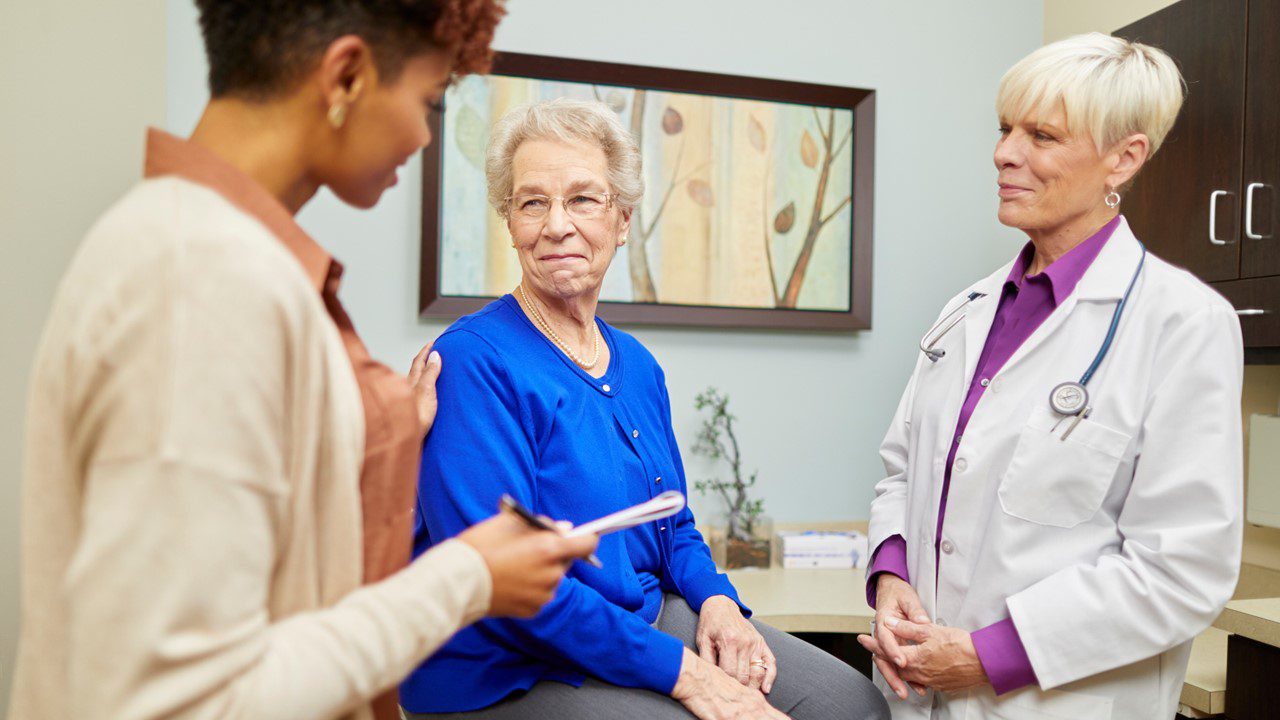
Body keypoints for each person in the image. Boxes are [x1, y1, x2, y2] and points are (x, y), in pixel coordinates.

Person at [7, 3, 598, 719]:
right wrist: (468, 577)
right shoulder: (200, 280)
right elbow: (185, 700)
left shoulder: (193, 248)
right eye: (427, 101)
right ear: (346, 74)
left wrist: (369, 434)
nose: (422, 134)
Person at [399, 99, 890, 720]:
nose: (556, 225)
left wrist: (717, 602)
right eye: (532, 202)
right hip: (511, 663)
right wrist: (689, 675)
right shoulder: (473, 362)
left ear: (623, 218)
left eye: (582, 199)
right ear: (510, 220)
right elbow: (510, 586)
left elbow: (673, 523)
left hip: (640, 618)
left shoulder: (636, 363)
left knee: (849, 703)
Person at [858, 33, 1243, 719]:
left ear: (1123, 159)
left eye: (1041, 135)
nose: (1005, 153)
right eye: (1005, 129)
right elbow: (902, 473)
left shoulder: (1183, 324)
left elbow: (1181, 571)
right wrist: (891, 577)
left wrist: (986, 656)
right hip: (919, 696)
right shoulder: (966, 311)